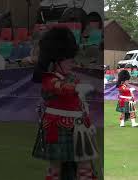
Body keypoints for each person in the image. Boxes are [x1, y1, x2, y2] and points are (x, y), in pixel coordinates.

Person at [32, 27, 98, 180]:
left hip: (79, 126)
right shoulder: (49, 78)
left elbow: (81, 105)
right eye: (68, 58)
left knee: (85, 164)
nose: (72, 62)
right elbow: (59, 88)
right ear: (57, 60)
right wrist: (76, 88)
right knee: (55, 167)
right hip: (57, 126)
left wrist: (88, 124)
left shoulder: (73, 78)